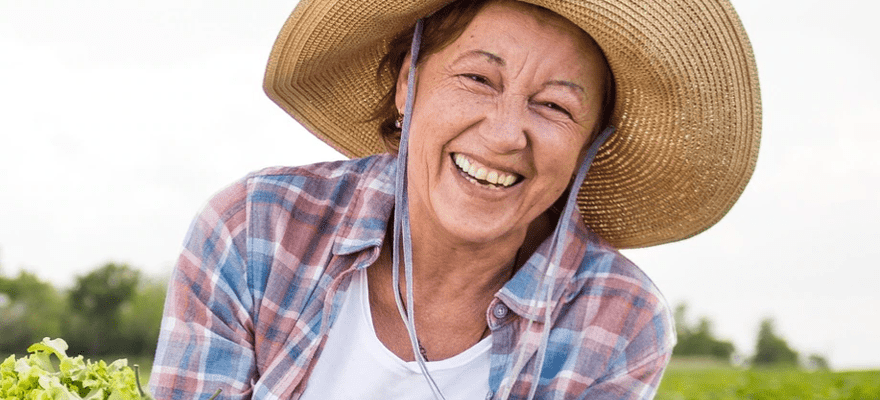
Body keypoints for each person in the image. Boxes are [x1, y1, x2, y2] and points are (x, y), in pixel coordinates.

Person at [148, 0, 759, 398]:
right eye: (478, 79)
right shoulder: (256, 229)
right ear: (407, 85)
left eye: (555, 106)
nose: (504, 134)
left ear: (590, 145)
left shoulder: (616, 320)